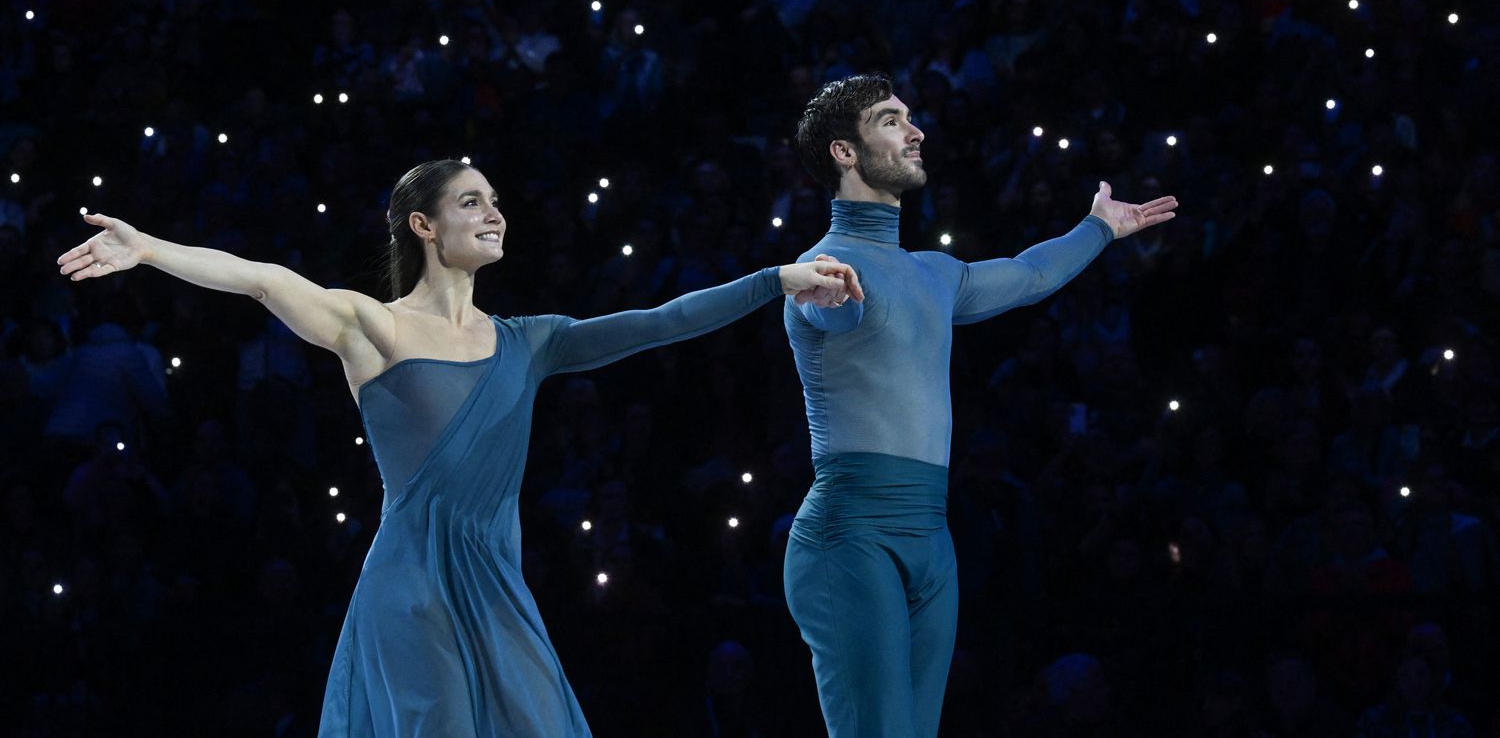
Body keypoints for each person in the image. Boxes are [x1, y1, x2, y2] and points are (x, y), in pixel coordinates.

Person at [56, 159, 863, 737]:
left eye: (497, 202)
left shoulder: (530, 339)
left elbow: (657, 322)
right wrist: (150, 248)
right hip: (411, 585)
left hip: (498, 587)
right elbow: (263, 277)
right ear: (424, 224)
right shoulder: (373, 326)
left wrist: (773, 280)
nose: (494, 213)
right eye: (472, 202)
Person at [781, 74, 1177, 737]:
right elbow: (835, 310)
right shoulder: (820, 267)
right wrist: (829, 299)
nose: (916, 130)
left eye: (911, 117)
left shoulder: (935, 273)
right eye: (890, 120)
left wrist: (1099, 228)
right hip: (851, 536)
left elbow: (1027, 274)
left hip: (932, 541)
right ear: (844, 152)